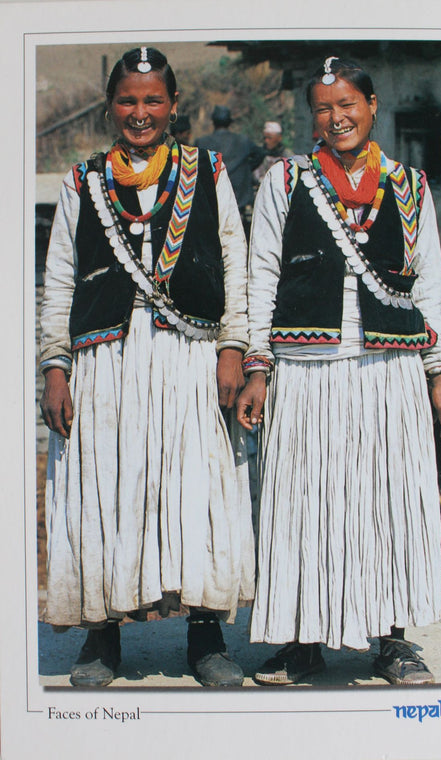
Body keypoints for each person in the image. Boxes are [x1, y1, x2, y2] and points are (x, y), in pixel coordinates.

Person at [237, 56, 441, 686]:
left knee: (386, 502)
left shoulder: (409, 186)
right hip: (305, 367)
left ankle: (392, 640)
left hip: (389, 366)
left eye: (348, 105)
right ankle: (303, 640)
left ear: (372, 107)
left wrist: (437, 375)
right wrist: (259, 365)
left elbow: (429, 287)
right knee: (303, 504)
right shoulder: (285, 181)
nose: (337, 118)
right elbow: (261, 276)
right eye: (324, 109)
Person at [40, 46, 254, 688]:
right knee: (107, 486)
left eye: (152, 99)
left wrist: (232, 349)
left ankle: (204, 634)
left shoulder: (208, 172)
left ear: (174, 106)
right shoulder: (82, 182)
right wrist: (55, 366)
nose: (140, 112)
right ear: (111, 106)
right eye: (128, 100)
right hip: (105, 360)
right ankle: (102, 636)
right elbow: (58, 281)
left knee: (193, 488)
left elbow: (235, 264)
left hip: (188, 355)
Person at [196, 106, 264, 236]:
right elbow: (259, 154)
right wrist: (246, 169)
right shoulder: (243, 141)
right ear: (230, 122)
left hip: (211, 204)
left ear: (213, 122)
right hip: (239, 202)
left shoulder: (202, 142)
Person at [253, 120, 293, 185]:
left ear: (279, 138)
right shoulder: (259, 153)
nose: (266, 141)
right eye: (265, 138)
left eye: (269, 138)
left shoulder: (288, 155)